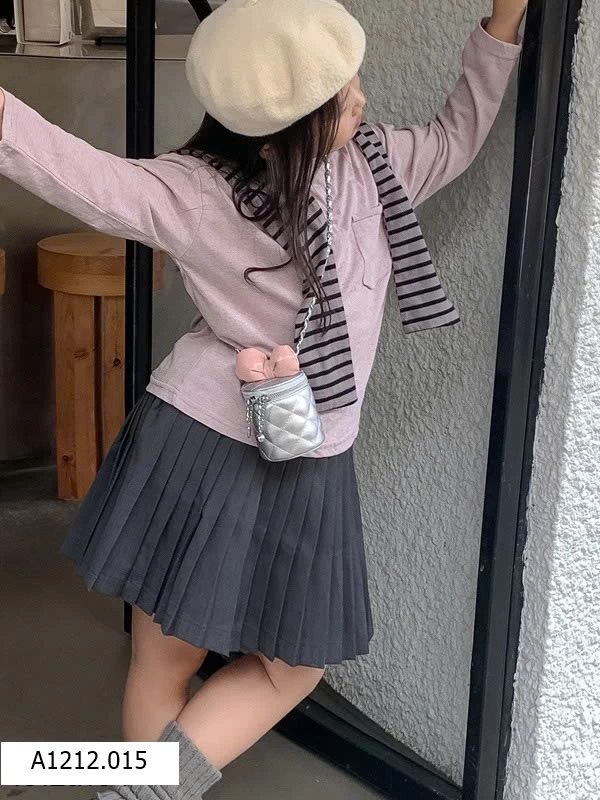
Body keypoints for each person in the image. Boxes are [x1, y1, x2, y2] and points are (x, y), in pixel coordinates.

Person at [0, 0, 526, 797]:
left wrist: (502, 26)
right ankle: (144, 790)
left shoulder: (375, 166)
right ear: (280, 128)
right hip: (215, 442)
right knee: (264, 665)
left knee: (184, 656)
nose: (362, 102)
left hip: (248, 443)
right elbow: (72, 170)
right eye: (341, 98)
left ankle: (142, 789)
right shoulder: (200, 190)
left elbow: (457, 136)